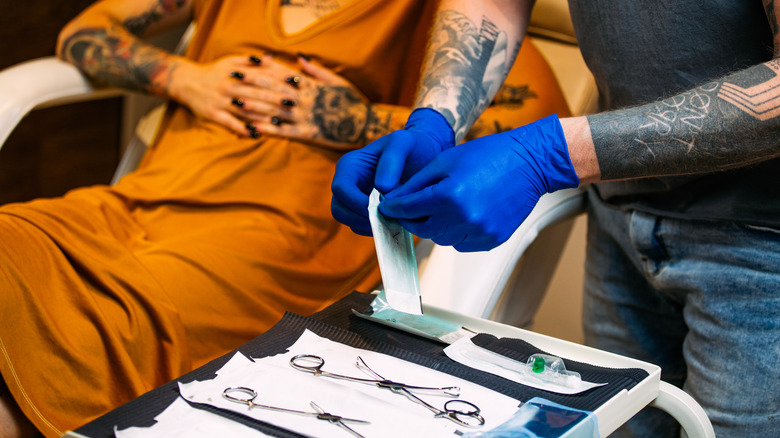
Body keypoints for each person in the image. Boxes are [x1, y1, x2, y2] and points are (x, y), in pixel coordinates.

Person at [0, 0, 571, 436]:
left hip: (273, 247)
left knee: (94, 320)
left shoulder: (439, 19)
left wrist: (351, 119)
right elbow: (82, 32)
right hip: (123, 209)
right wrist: (184, 78)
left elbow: (531, 130)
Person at [331, 0, 780, 436]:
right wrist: (434, 120)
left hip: (763, 246)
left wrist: (551, 154)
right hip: (622, 211)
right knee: (619, 422)